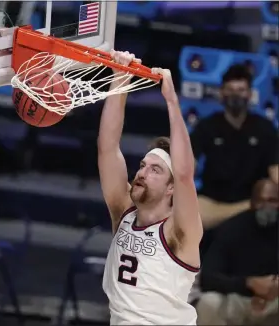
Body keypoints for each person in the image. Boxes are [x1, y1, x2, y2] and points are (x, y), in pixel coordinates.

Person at [99, 50, 203, 325]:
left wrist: (171, 101)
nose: (142, 173)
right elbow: (107, 149)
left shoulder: (179, 232)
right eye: (143, 166)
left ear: (171, 189)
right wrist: (119, 79)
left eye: (155, 170)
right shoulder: (123, 211)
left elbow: (183, 174)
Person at [190, 64, 279, 230]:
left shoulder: (265, 128)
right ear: (221, 93)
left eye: (241, 90)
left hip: (254, 203)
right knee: (194, 211)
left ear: (250, 94)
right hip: (214, 202)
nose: (235, 95)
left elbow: (275, 170)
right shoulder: (207, 126)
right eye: (230, 89)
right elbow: (188, 166)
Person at [196, 178, 278, 325]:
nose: (265, 206)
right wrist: (248, 283)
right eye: (260, 201)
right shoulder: (231, 230)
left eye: (272, 200)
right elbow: (207, 279)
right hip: (238, 298)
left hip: (274, 301)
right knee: (209, 302)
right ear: (252, 203)